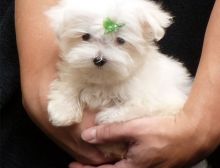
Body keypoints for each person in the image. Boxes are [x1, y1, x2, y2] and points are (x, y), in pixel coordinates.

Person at [0, 0, 219, 168]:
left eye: (120, 41)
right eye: (86, 37)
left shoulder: (154, 80)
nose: (99, 56)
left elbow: (170, 115)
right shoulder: (70, 73)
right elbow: (59, 107)